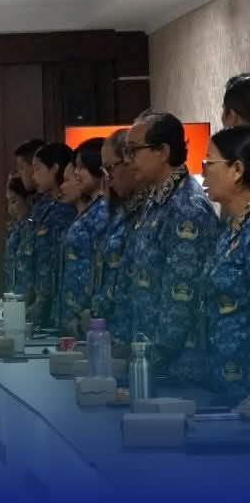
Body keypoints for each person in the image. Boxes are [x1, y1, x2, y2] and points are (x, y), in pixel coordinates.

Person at [125, 112, 219, 380]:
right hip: (150, 362)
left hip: (178, 369)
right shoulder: (156, 201)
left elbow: (181, 301)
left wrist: (151, 360)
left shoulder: (186, 208)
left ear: (163, 152)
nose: (128, 160)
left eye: (134, 151)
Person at [200, 127, 250, 400]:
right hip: (221, 385)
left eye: (209, 162)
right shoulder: (230, 229)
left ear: (237, 170)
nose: (203, 172)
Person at [94, 129, 146, 346]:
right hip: (113, 333)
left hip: (140, 341)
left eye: (110, 168)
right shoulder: (122, 210)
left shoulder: (152, 210)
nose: (108, 178)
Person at [55, 138, 109, 337]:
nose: (76, 173)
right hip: (74, 313)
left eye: (81, 167)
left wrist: (87, 313)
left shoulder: (104, 211)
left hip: (88, 317)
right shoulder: (91, 210)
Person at [24, 142, 76, 327]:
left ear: (54, 168)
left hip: (60, 296)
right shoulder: (42, 205)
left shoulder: (70, 208)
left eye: (38, 169)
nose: (33, 176)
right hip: (39, 291)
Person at [4, 176, 30, 295]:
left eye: (14, 201)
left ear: (28, 200)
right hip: (12, 294)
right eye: (8, 202)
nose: (10, 209)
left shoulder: (35, 230)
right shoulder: (14, 229)